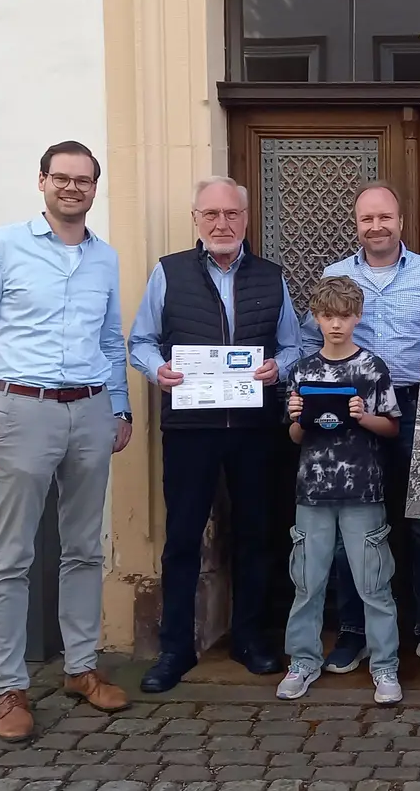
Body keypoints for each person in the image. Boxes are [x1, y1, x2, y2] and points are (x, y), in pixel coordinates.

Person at [0, 140, 135, 742]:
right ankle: (10, 688)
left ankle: (80, 668)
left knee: (82, 548)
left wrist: (121, 407)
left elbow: (109, 339)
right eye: (62, 178)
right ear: (42, 181)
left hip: (91, 412)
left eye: (84, 180)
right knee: (12, 556)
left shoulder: (105, 258)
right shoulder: (3, 246)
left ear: (95, 189)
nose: (73, 188)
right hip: (24, 410)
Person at [127, 175, 301, 692]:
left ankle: (249, 638)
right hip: (191, 428)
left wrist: (278, 369)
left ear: (246, 219)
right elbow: (141, 341)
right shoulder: (168, 272)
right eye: (211, 215)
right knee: (182, 538)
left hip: (254, 428)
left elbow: (293, 345)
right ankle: (176, 647)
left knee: (256, 534)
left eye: (232, 214)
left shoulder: (272, 276)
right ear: (196, 220)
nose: (222, 224)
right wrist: (159, 370)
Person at [302, 181, 420, 675]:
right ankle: (352, 631)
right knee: (348, 526)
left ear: (400, 221)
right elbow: (311, 341)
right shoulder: (335, 276)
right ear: (356, 224)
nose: (376, 226)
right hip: (349, 408)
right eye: (366, 219)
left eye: (385, 218)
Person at [277, 277, 404, 704]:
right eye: (328, 316)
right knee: (307, 583)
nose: (336, 324)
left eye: (345, 316)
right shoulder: (303, 369)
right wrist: (297, 416)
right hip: (312, 491)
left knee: (374, 584)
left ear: (358, 317)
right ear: (316, 317)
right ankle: (303, 661)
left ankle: (385, 667)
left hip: (362, 491)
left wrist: (363, 416)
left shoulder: (371, 367)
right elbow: (296, 437)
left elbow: (391, 427)